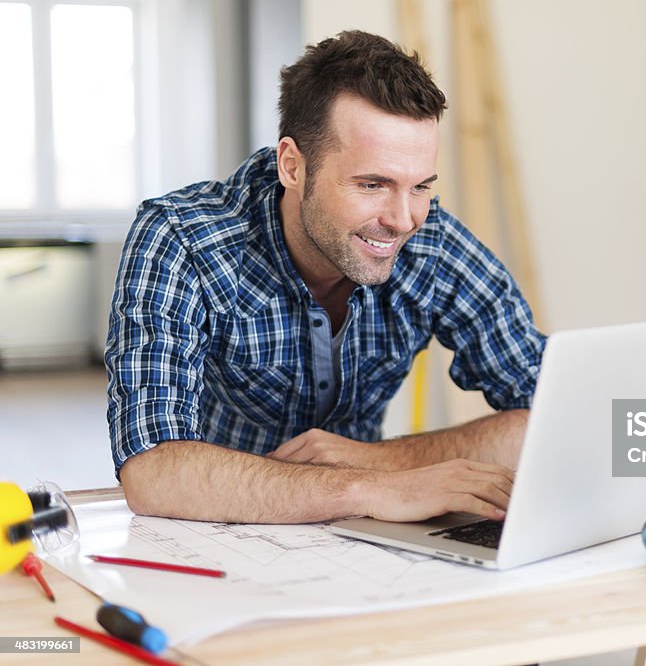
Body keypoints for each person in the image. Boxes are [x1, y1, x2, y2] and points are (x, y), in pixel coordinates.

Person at [105, 30, 546, 525]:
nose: (404, 220)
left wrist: (380, 462)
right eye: (372, 184)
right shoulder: (182, 238)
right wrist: (369, 487)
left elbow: (556, 412)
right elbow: (153, 471)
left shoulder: (433, 243)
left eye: (420, 185)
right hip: (217, 526)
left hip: (364, 536)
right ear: (292, 165)